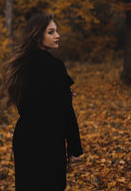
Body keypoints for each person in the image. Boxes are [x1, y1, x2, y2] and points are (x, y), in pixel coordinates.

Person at [6, 12, 83, 191]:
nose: (57, 36)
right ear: (37, 35)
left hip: (24, 139)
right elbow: (65, 112)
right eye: (50, 32)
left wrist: (59, 94)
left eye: (56, 31)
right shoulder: (55, 66)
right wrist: (74, 147)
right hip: (48, 141)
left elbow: (29, 102)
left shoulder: (20, 64)